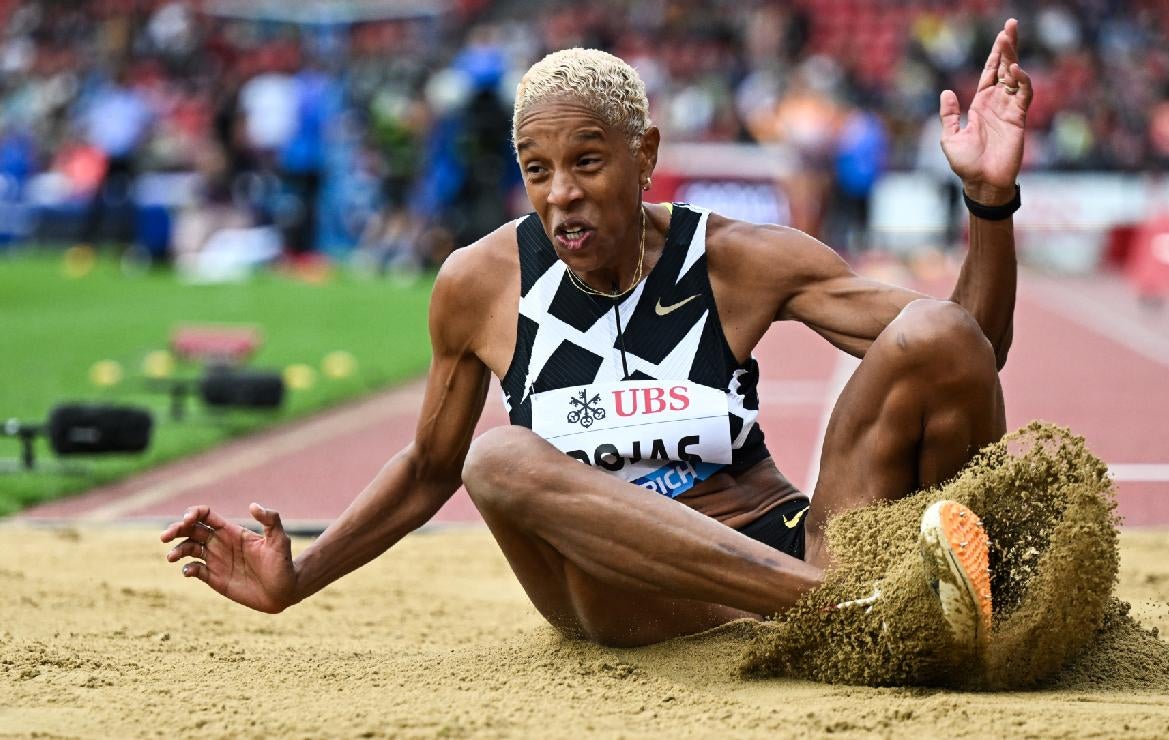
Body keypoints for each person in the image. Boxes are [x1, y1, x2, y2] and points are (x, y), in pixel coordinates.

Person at [162, 20, 1033, 655]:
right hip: (626, 596)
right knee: (496, 460)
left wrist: (989, 201)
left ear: (644, 153)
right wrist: (298, 578)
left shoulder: (736, 258)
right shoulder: (479, 282)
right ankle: (844, 605)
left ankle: (879, 599)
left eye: (587, 161)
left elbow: (965, 351)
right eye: (537, 171)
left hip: (784, 539)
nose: (561, 193)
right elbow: (431, 469)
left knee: (927, 330)